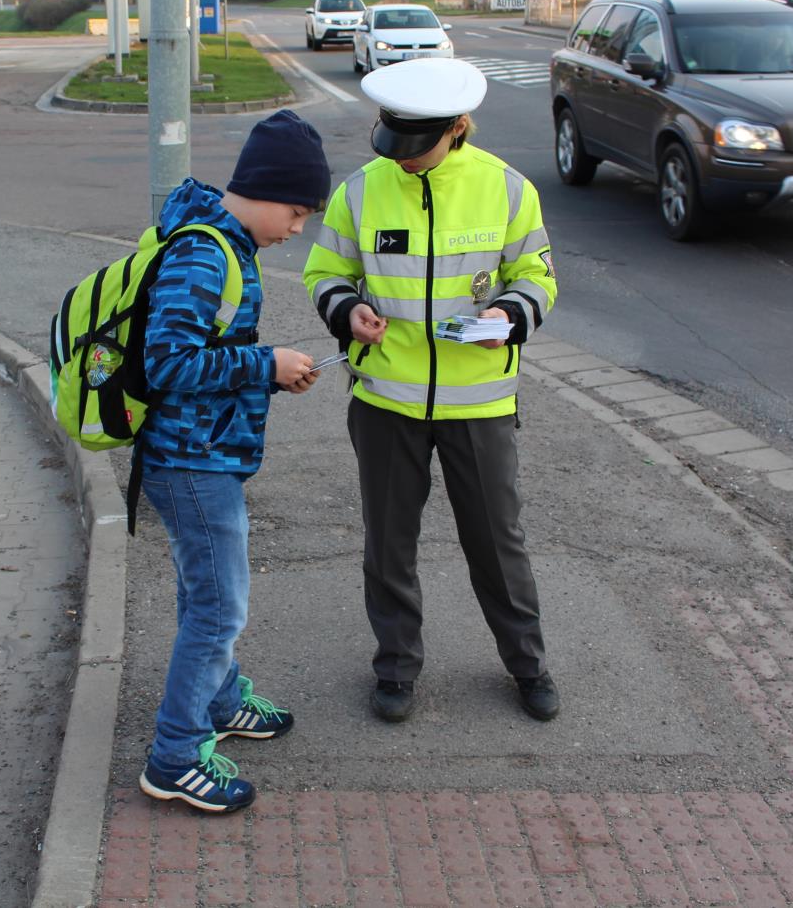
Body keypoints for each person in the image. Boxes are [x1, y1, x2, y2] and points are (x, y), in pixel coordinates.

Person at [302, 57, 561, 726]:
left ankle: (528, 664)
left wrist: (509, 314)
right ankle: (395, 670)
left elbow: (537, 275)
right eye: (396, 143)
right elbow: (325, 270)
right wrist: (344, 310)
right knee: (388, 545)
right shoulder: (360, 191)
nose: (406, 159)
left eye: (420, 146)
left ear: (458, 128)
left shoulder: (508, 190)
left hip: (480, 405)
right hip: (386, 400)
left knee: (498, 546)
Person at [135, 110, 331, 814]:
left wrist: (268, 371)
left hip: (202, 452)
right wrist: (264, 361)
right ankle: (176, 756)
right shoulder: (207, 253)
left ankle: (218, 703)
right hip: (191, 462)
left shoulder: (224, 244)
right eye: (298, 212)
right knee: (219, 608)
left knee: (205, 594)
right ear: (270, 192)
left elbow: (205, 350)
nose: (298, 228)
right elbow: (168, 360)